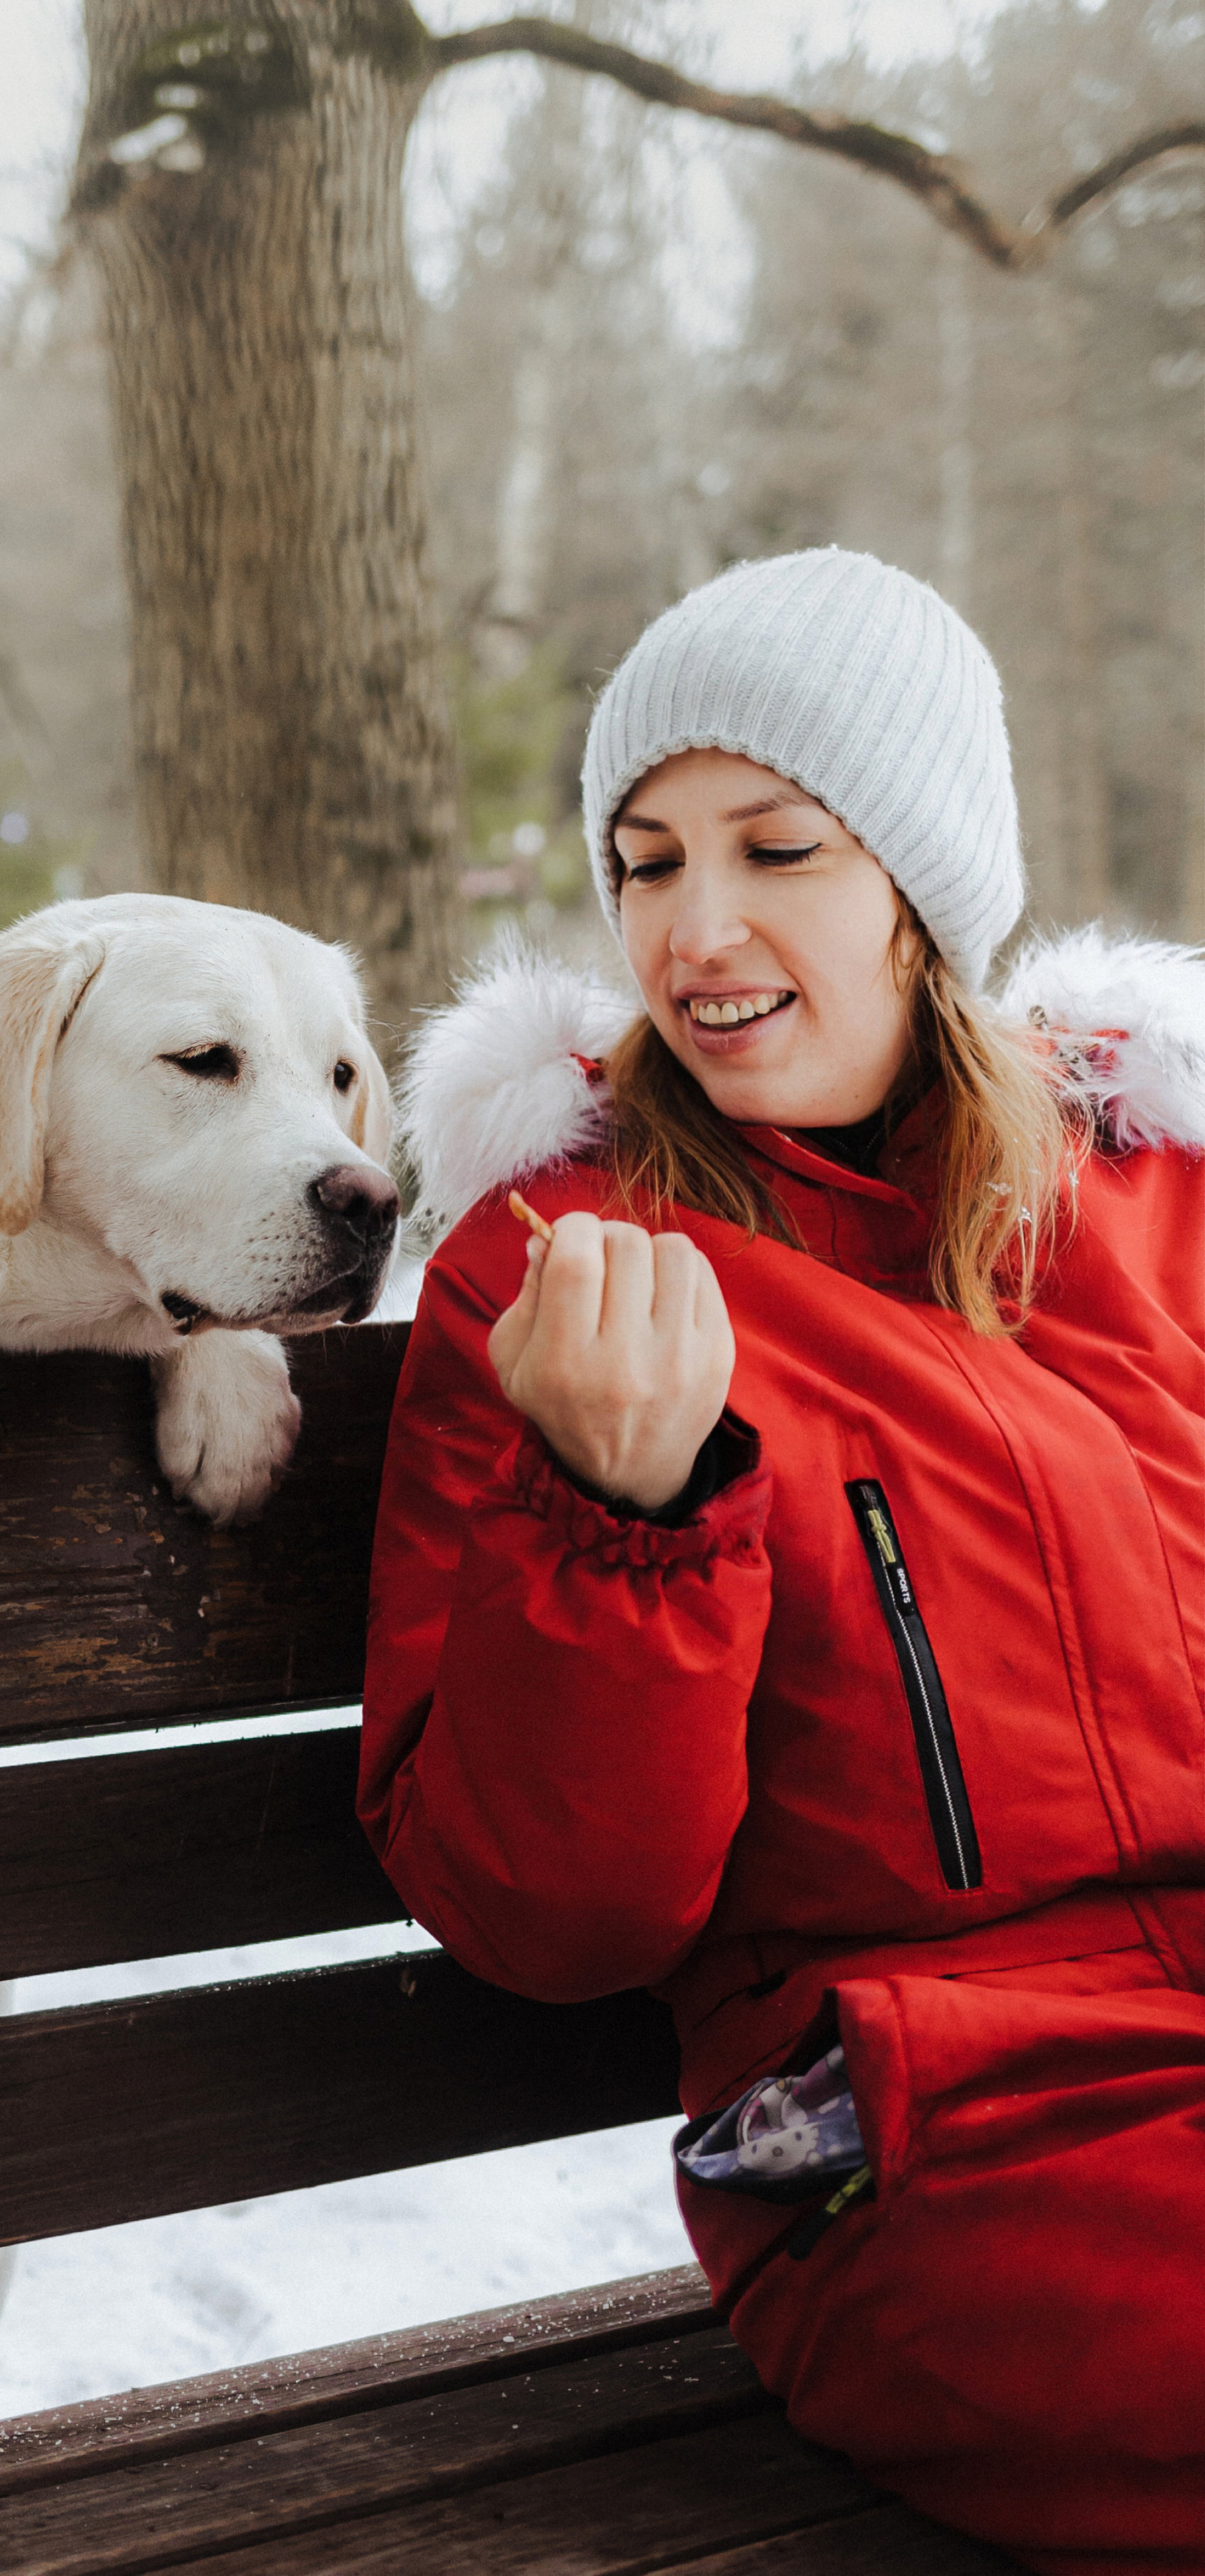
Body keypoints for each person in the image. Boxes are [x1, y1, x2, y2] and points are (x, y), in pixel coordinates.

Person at [359, 547, 1205, 2575]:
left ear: (923, 886)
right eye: (645, 862)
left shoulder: (1154, 1206)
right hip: (938, 2147)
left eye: (776, 849)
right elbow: (540, 1911)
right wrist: (619, 1525)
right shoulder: (561, 1277)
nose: (696, 930)